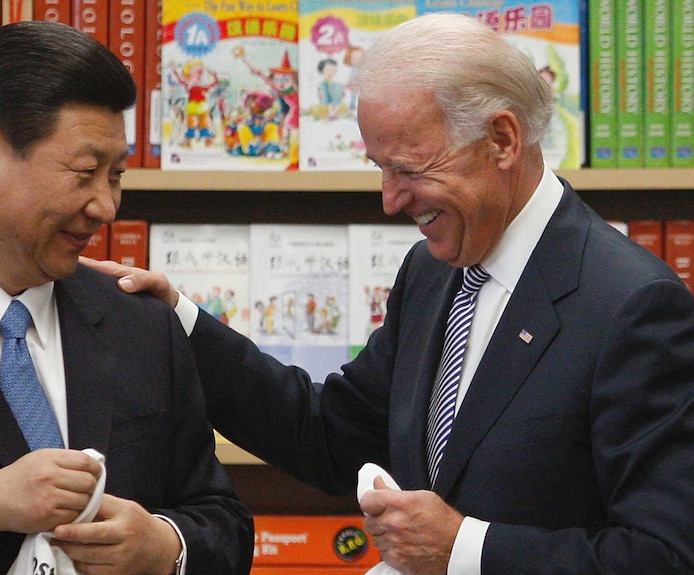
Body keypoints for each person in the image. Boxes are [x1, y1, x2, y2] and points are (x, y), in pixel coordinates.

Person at [82, 12, 694, 575]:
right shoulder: (433, 273)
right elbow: (332, 435)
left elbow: (665, 554)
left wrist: (465, 548)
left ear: (502, 140)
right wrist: (179, 326)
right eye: (380, 167)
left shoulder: (633, 308)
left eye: (409, 169)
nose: (390, 200)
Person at [0, 21, 253, 575]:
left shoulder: (141, 323)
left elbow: (223, 521)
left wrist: (166, 546)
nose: (106, 206)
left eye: (117, 176)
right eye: (84, 173)